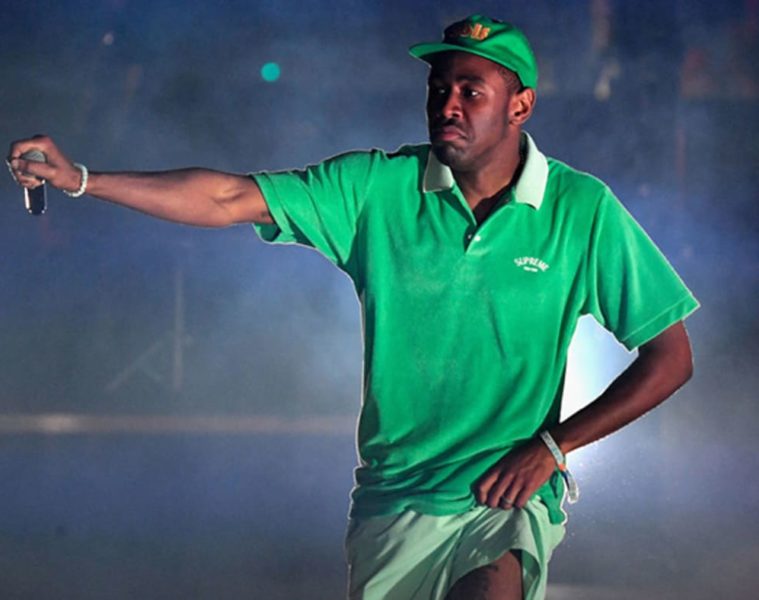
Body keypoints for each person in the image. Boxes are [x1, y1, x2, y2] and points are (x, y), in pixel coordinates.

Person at [7, 14, 698, 600]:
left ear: (520, 106)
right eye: (438, 88)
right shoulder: (377, 187)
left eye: (471, 90)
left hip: (503, 502)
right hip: (395, 503)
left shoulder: (580, 209)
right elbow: (227, 197)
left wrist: (552, 447)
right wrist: (80, 179)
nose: (447, 104)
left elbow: (670, 358)